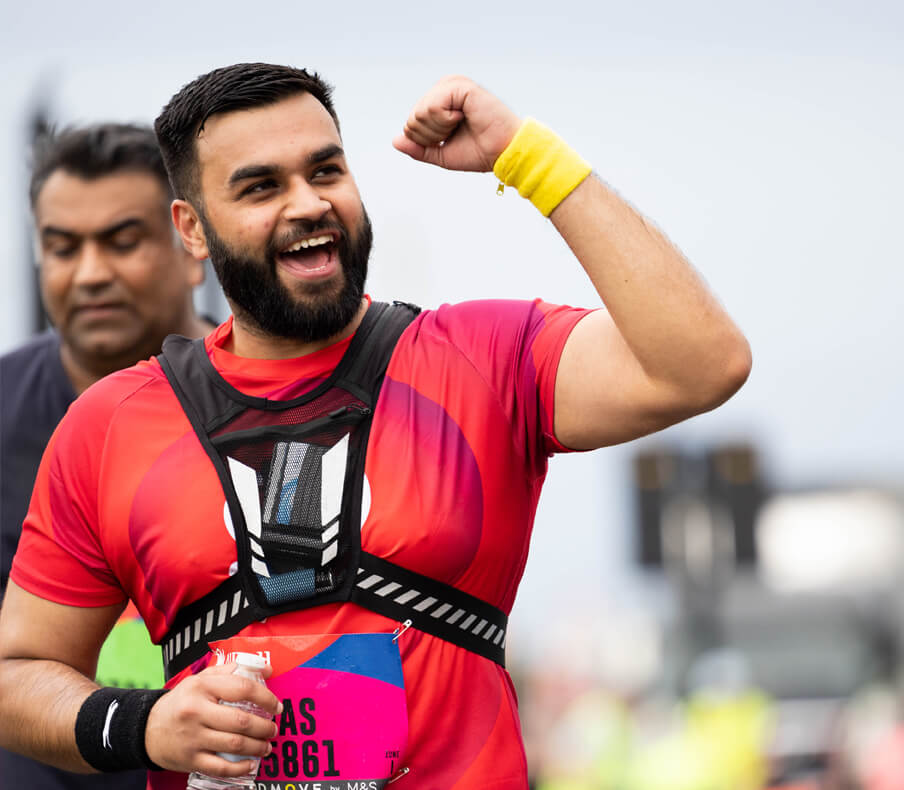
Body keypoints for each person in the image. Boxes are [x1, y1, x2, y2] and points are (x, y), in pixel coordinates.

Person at [0, 64, 752, 789]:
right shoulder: (109, 425)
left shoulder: (482, 359)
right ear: (192, 231)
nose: (307, 203)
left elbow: (701, 364)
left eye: (325, 171)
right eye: (261, 186)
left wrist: (530, 158)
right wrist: (143, 724)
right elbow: (17, 674)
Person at [0, 122, 215, 790]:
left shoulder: (277, 404)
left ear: (191, 243)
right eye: (62, 247)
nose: (90, 273)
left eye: (123, 242)